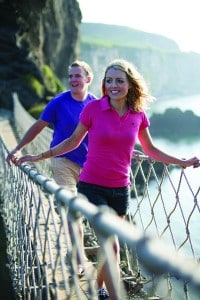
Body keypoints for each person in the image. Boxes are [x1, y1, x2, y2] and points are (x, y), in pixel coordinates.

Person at [11, 59, 200, 300]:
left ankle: (97, 287)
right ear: (103, 84)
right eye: (109, 80)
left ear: (130, 85)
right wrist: (39, 155)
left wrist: (181, 162)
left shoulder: (138, 115)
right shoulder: (92, 109)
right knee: (112, 246)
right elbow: (72, 142)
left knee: (108, 245)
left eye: (119, 81)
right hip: (92, 185)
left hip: (121, 189)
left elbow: (151, 151)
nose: (113, 85)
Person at [6, 60, 97, 277]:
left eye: (78, 75)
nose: (73, 80)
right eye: (71, 76)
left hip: (90, 165)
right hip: (62, 160)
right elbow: (39, 126)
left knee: (89, 213)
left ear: (88, 79)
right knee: (72, 211)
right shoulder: (58, 102)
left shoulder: (96, 104)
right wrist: (18, 148)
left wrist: (129, 153)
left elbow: (106, 134)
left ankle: (80, 253)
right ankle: (79, 259)